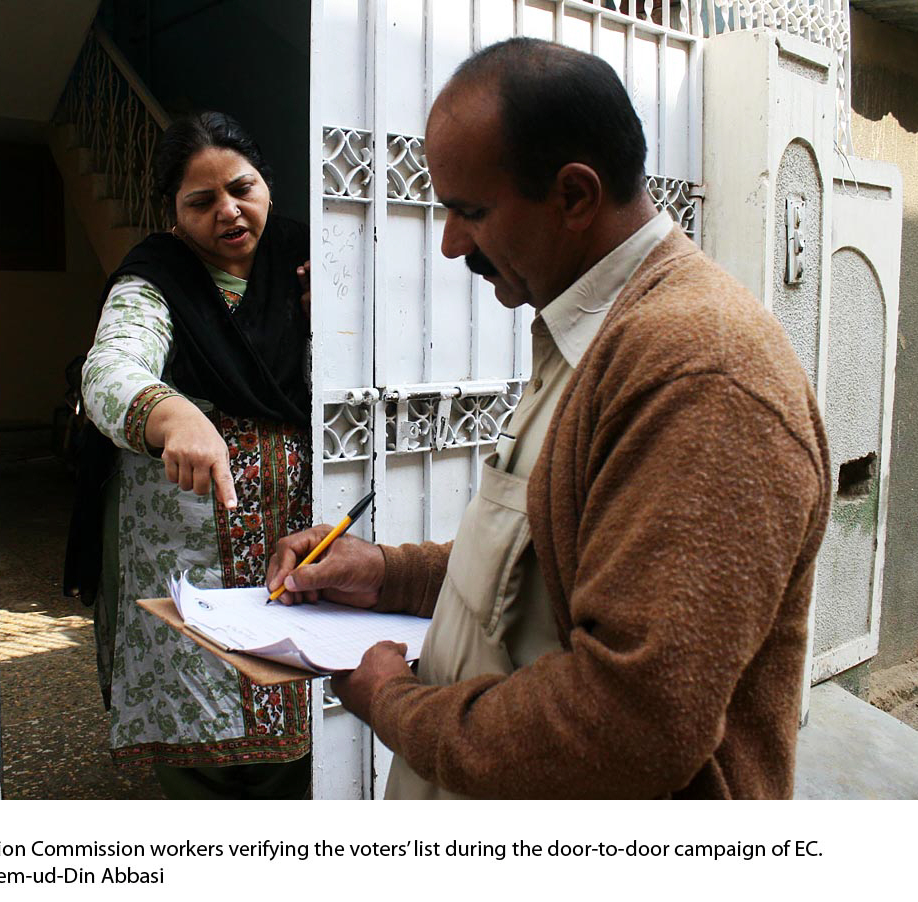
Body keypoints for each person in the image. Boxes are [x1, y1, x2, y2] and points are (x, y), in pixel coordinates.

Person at [266, 38, 831, 799]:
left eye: (470, 212)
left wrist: (391, 702)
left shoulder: (701, 373)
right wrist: (387, 576)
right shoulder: (592, 333)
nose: (450, 243)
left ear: (574, 196)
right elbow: (539, 582)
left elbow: (626, 724)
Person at [79, 111, 313, 799]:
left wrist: (337, 309)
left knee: (303, 698)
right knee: (202, 701)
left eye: (242, 189)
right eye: (202, 201)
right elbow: (111, 367)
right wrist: (170, 410)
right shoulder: (154, 282)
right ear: (173, 215)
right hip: (187, 546)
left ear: (267, 183)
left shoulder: (317, 262)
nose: (229, 212)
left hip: (296, 535)